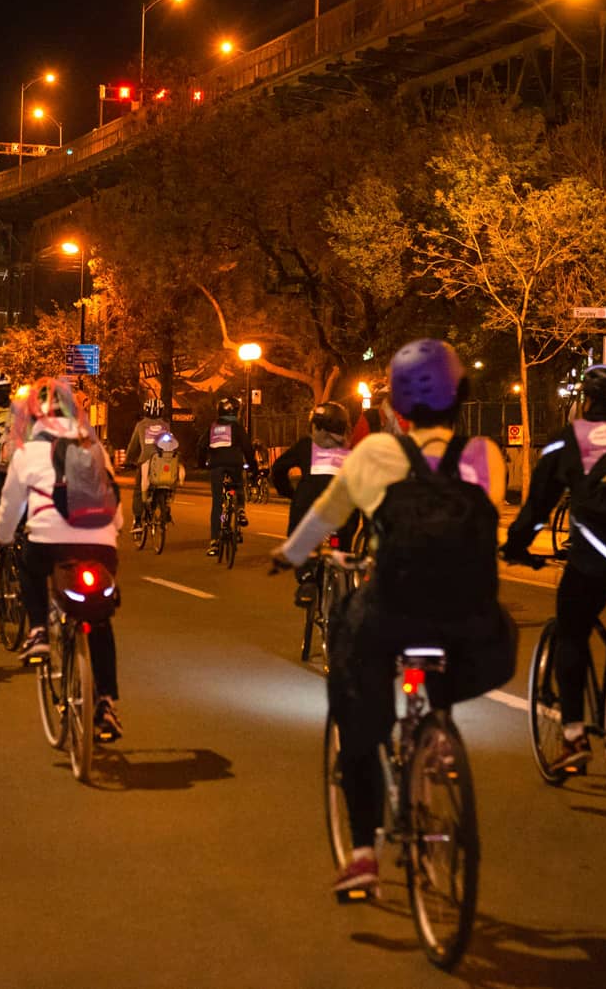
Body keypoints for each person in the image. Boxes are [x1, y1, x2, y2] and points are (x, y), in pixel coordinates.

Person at [271, 340, 512, 899]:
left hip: (394, 613)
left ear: (396, 408)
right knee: (460, 645)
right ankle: (439, 729)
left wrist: (289, 555)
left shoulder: (375, 455)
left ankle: (362, 853)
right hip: (473, 622)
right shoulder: (485, 455)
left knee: (355, 714)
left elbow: (322, 518)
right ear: (462, 400)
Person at [502, 364, 606, 775]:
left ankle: (574, 736)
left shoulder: (569, 442)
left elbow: (539, 506)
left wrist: (517, 545)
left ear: (586, 401)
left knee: (571, 632)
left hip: (592, 556)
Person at [0, 377, 125, 742]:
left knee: (31, 566)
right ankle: (107, 704)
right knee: (100, 621)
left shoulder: (27, 452)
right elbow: (114, 501)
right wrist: (114, 531)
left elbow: (11, 507)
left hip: (49, 541)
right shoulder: (93, 445)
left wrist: (1, 537)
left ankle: (37, 631)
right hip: (101, 543)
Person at [270, 401, 354, 606]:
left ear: (315, 427)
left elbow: (279, 468)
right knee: (343, 539)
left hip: (308, 505)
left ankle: (307, 577)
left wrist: (287, 492)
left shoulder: (306, 445)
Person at [195, 396, 257, 557]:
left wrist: (202, 464)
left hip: (216, 467)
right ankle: (241, 510)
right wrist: (253, 467)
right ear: (236, 411)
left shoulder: (213, 427)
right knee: (238, 485)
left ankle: (214, 541)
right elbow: (247, 448)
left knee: (217, 503)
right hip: (234, 464)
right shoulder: (237, 427)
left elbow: (201, 446)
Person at [123, 396, 172, 537]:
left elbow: (133, 446)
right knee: (166, 482)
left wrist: (128, 460)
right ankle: (166, 504)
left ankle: (138, 520)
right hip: (163, 461)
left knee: (139, 489)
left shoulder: (141, 425)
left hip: (145, 461)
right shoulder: (165, 425)